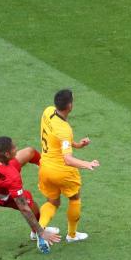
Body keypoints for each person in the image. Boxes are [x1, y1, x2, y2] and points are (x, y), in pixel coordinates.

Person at [37, 89, 99, 243]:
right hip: (62, 171)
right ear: (69, 106)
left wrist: (77, 145)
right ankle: (72, 235)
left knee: (52, 202)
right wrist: (87, 164)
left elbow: (56, 138)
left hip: (45, 168)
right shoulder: (65, 129)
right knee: (75, 198)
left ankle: (38, 229)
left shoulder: (48, 111)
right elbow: (68, 159)